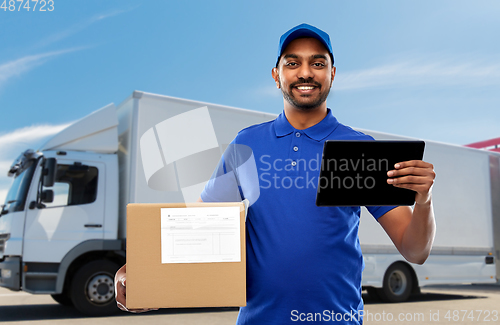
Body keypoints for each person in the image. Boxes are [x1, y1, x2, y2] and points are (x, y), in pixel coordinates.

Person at [115, 23, 436, 324]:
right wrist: (139, 272)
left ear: (333, 74)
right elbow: (198, 228)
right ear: (276, 74)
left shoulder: (359, 149)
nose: (306, 73)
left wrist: (423, 201)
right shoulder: (247, 143)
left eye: (318, 63)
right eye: (293, 63)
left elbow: (414, 250)